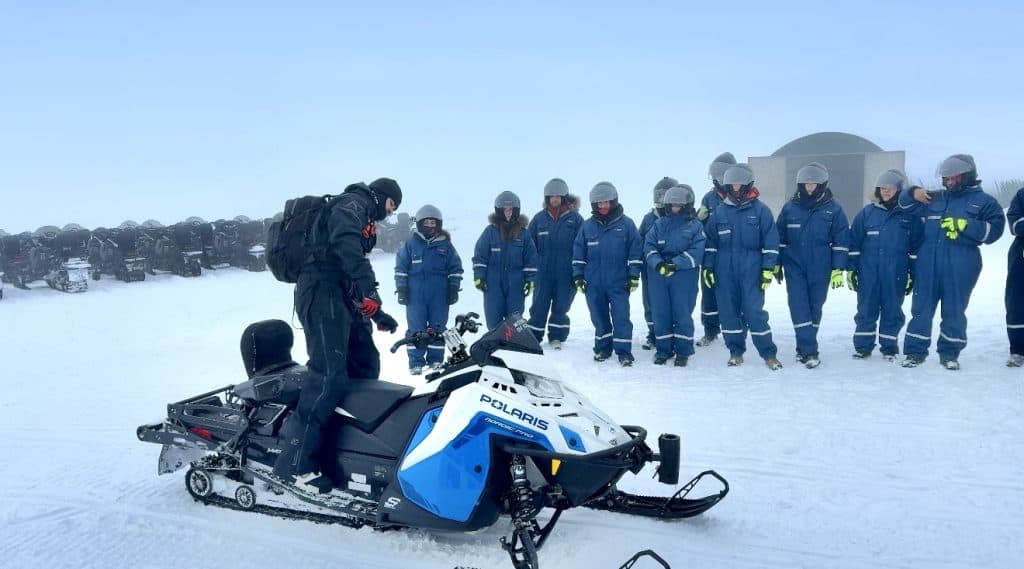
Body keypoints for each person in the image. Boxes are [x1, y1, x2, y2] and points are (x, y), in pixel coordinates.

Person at [273, 178, 401, 487]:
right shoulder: (352, 204)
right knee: (328, 374)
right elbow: (347, 250)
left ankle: (343, 448)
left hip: (339, 292)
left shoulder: (363, 215)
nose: (391, 212)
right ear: (381, 196)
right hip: (320, 290)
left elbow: (350, 270)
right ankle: (295, 464)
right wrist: (370, 290)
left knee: (365, 366)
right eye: (391, 205)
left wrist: (378, 313)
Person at [898, 154, 1005, 369]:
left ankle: (949, 353)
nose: (948, 182)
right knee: (921, 309)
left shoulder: (984, 202)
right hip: (928, 264)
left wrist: (966, 226)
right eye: (945, 179)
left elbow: (996, 230)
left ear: (967, 175)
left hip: (962, 265)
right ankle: (914, 352)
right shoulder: (934, 198)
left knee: (954, 310)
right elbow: (903, 205)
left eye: (953, 178)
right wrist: (913, 192)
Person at [701, 164, 783, 370]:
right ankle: (735, 352)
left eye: (739, 183)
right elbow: (711, 244)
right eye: (732, 184)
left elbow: (771, 242)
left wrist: (768, 268)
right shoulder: (720, 212)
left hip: (751, 269)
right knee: (728, 313)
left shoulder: (760, 210)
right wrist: (708, 268)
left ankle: (768, 354)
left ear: (748, 184)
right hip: (724, 270)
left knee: (754, 312)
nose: (736, 187)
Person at [775, 162, 850, 368]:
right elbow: (779, 237)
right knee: (799, 306)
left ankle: (803, 346)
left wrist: (837, 268)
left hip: (821, 265)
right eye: (806, 183)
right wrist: (776, 263)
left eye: (814, 183)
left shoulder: (834, 209)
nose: (810, 187)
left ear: (822, 184)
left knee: (815, 307)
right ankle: (809, 351)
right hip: (794, 265)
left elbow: (841, 240)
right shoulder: (789, 208)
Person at [847, 169, 922, 361]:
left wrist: (913, 274)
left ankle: (889, 347)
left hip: (896, 271)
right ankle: (863, 346)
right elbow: (854, 243)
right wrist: (852, 270)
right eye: (882, 188)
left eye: (890, 188)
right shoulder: (866, 214)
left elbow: (916, 248)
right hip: (868, 272)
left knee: (892, 309)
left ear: (899, 190)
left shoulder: (909, 216)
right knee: (866, 309)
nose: (886, 191)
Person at [572, 182, 643, 366]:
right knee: (599, 317)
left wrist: (634, 275)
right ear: (594, 205)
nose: (603, 206)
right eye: (599, 203)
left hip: (618, 281)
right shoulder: (587, 227)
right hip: (593, 283)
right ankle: (603, 348)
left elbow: (635, 252)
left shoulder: (626, 225)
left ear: (613, 202)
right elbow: (578, 253)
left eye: (606, 202)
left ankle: (624, 352)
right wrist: (578, 276)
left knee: (621, 317)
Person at [395, 204, 464, 375]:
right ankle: (416, 362)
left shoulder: (445, 246)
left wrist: (453, 288)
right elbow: (401, 268)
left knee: (438, 326)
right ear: (420, 224)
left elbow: (456, 268)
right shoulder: (411, 244)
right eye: (427, 223)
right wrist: (402, 288)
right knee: (416, 327)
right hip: (415, 293)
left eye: (434, 223)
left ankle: (435, 360)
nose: (431, 227)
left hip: (439, 293)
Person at [643, 184, 706, 366]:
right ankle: (663, 350)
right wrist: (658, 263)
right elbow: (649, 245)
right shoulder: (659, 224)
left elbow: (697, 250)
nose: (675, 208)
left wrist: (675, 263)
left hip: (683, 275)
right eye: (672, 204)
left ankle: (683, 351)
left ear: (687, 205)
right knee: (661, 313)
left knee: (682, 312)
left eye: (679, 204)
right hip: (659, 275)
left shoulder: (695, 226)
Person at [526, 178, 583, 349]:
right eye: (552, 196)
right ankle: (533, 337)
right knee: (539, 305)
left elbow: (582, 246)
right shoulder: (538, 219)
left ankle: (556, 337)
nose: (555, 199)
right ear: (547, 198)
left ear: (564, 197)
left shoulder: (576, 220)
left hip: (566, 273)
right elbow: (529, 246)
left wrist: (579, 270)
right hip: (543, 272)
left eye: (558, 196)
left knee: (561, 305)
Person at [473, 191, 539, 329]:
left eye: (511, 210)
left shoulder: (524, 234)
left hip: (516, 282)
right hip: (493, 283)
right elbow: (480, 256)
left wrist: (529, 280)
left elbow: (531, 259)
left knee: (515, 318)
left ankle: (513, 344)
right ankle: (496, 344)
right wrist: (479, 276)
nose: (508, 213)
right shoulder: (490, 232)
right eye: (505, 210)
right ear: (499, 211)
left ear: (516, 211)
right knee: (493, 317)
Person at [696, 152, 737, 346]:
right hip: (711, 254)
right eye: (716, 175)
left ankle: (738, 330)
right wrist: (699, 219)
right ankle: (710, 330)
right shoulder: (709, 198)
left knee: (734, 293)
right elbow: (699, 229)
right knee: (709, 292)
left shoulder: (739, 194)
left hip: (734, 254)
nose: (718, 179)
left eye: (722, 175)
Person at [638, 177, 678, 350]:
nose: (661, 199)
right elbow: (639, 242)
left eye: (665, 195)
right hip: (650, 271)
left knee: (674, 304)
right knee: (650, 304)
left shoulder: (681, 218)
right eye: (659, 195)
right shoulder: (649, 218)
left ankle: (675, 334)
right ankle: (654, 333)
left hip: (674, 270)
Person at [1005, 186, 1024, 367]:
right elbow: (1016, 225)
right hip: (1021, 258)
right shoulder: (1021, 194)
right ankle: (1018, 350)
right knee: (1016, 302)